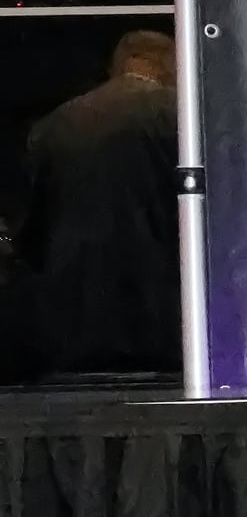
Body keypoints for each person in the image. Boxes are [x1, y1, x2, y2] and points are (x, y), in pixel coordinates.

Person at [17, 30, 182, 377]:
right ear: (168, 64)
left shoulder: (54, 126)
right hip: (159, 316)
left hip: (72, 317)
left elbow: (32, 227)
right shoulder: (180, 118)